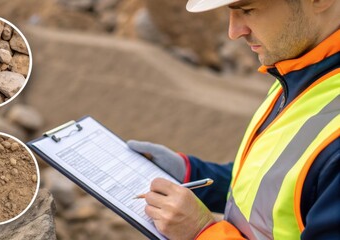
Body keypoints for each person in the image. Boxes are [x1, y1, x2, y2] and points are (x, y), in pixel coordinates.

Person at [127, 0, 340, 239]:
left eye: (248, 10)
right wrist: (190, 173)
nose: (234, 31)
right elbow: (275, 184)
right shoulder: (301, 75)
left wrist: (202, 232)